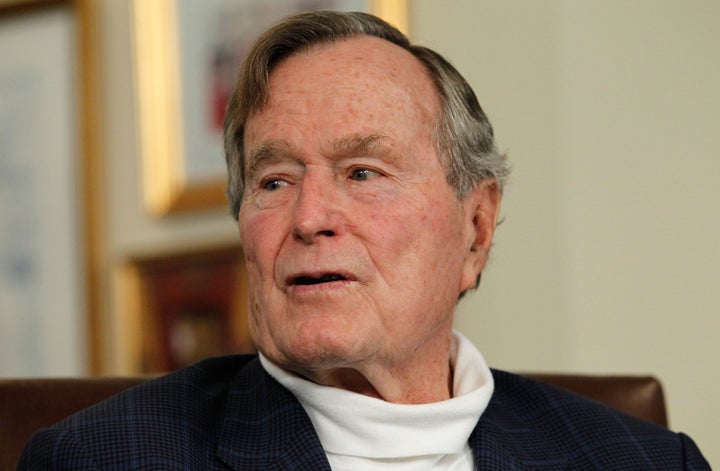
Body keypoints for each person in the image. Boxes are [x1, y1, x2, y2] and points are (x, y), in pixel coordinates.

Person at [20, 10, 709, 470]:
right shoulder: (105, 457)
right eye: (274, 180)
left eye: (362, 171)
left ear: (476, 227)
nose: (311, 216)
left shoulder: (643, 460)